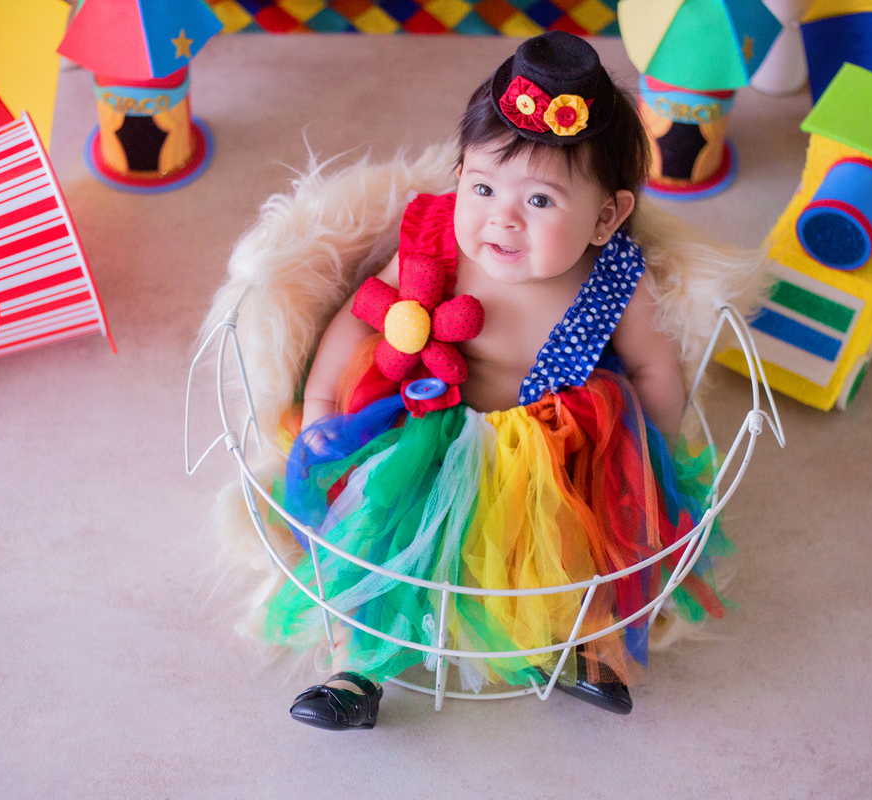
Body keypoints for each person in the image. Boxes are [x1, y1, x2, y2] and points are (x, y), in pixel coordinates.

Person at [259, 31, 729, 731]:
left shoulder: (614, 280)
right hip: (426, 431)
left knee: (570, 552)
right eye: (481, 186)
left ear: (607, 216)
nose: (501, 217)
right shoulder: (439, 241)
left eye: (540, 201)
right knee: (377, 542)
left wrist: (652, 462)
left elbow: (656, 364)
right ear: (459, 177)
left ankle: (573, 647)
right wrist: (324, 402)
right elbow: (363, 320)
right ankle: (353, 668)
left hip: (552, 455)